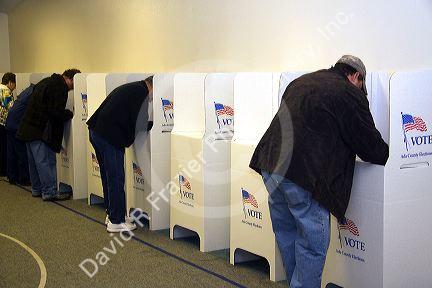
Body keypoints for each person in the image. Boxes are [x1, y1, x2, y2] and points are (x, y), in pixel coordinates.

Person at [249, 55, 389, 288]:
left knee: (288, 235)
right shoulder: (349, 93)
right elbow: (371, 147)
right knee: (312, 245)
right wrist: (389, 153)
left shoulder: (301, 81)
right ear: (356, 76)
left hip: (270, 164)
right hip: (303, 175)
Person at [87, 76, 153, 233]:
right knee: (116, 177)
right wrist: (153, 124)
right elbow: (141, 122)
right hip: (109, 136)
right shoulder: (141, 92)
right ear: (153, 87)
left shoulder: (133, 87)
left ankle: (112, 214)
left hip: (97, 132)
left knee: (109, 176)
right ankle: (116, 221)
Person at [16, 69, 81, 200]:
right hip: (41, 130)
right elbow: (55, 111)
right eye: (75, 84)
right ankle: (49, 191)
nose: (73, 88)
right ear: (70, 79)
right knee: (45, 161)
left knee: (34, 162)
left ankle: (37, 189)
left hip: (28, 127)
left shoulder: (46, 81)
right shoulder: (59, 87)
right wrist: (69, 114)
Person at [5, 83, 35, 185]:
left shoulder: (26, 91)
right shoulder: (33, 93)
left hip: (9, 123)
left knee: (11, 152)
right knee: (21, 153)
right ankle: (24, 179)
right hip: (17, 125)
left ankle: (12, 177)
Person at [0, 72, 16, 177]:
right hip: (3, 123)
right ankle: (3, 171)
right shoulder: (6, 91)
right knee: (4, 149)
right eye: (14, 84)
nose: (15, 87)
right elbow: (11, 108)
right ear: (10, 82)